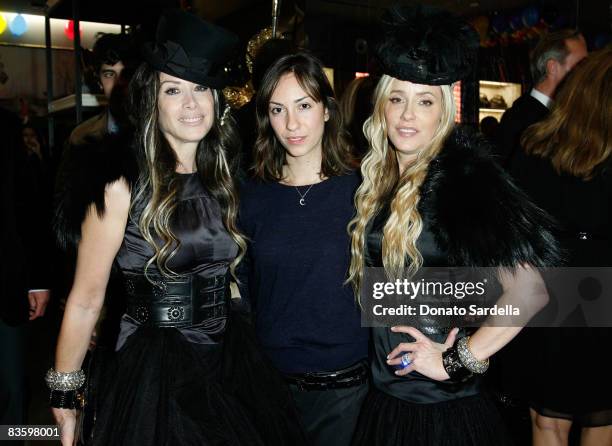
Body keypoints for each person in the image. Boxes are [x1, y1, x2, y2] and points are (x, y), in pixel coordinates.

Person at [49, 10, 302, 446]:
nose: (190, 104)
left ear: (217, 100)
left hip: (228, 357)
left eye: (201, 88)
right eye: (174, 90)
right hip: (155, 371)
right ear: (152, 100)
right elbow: (86, 299)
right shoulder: (120, 184)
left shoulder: (224, 178)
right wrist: (65, 392)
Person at [347, 5, 561, 445]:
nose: (408, 115)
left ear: (442, 109)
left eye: (424, 101)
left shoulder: (464, 179)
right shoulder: (379, 180)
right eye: (397, 98)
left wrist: (457, 361)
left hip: (442, 409)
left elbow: (530, 289)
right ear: (381, 105)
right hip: (388, 400)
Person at [238, 52, 369, 446]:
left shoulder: (363, 190)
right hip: (269, 388)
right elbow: (242, 290)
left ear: (328, 110)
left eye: (304, 106)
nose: (292, 124)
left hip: (347, 393)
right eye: (278, 109)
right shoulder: (250, 195)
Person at [510, 47, 612, 446]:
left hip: (550, 281)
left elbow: (514, 229)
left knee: (547, 421)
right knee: (603, 417)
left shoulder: (535, 146)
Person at [1, 108, 51, 441]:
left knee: (10, 388)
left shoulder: (4, 125)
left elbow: (25, 204)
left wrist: (38, 280)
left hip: (5, 280)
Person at [495, 29, 587, 168]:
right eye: (580, 66)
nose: (586, 76)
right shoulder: (522, 121)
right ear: (553, 67)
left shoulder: (556, 116)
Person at [69, 32, 137, 145]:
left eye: (126, 73)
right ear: (99, 81)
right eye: (109, 74)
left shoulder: (159, 134)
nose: (118, 82)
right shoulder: (80, 137)